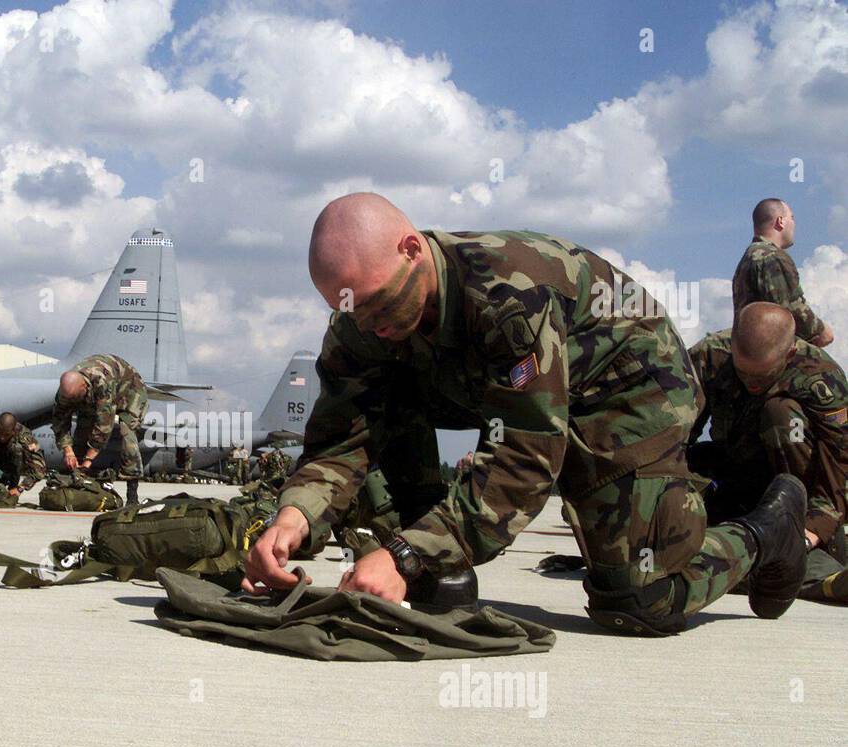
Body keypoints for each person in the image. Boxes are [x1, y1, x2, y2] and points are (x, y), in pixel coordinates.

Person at [242, 192, 808, 633]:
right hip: (509, 392)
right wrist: (293, 518)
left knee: (636, 600)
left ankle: (762, 533)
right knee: (385, 388)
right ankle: (434, 562)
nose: (374, 326)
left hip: (628, 389)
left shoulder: (508, 292)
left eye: (382, 305)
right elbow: (342, 436)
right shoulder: (362, 317)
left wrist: (404, 554)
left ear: (412, 250)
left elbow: (525, 453)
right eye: (353, 313)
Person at [690, 302, 848, 597]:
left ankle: (808, 556)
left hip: (794, 493)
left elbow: (838, 463)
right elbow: (677, 433)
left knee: (782, 415)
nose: (751, 383)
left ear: (789, 354)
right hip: (733, 474)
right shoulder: (709, 357)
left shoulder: (820, 377)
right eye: (743, 373)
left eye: (762, 376)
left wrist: (811, 531)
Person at [733, 198, 833, 347]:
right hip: (771, 354)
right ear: (780, 221)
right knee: (830, 369)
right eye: (791, 218)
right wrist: (821, 331)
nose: (794, 224)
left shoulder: (747, 258)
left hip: (751, 353)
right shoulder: (771, 257)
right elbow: (790, 312)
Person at [51, 353, 147, 505]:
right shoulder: (66, 391)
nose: (72, 402)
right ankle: (82, 480)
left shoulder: (101, 384)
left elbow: (104, 426)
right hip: (95, 394)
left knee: (127, 434)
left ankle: (132, 492)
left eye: (76, 398)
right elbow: (59, 422)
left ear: (84, 387)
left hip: (129, 389)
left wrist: (88, 459)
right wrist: (68, 451)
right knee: (82, 430)